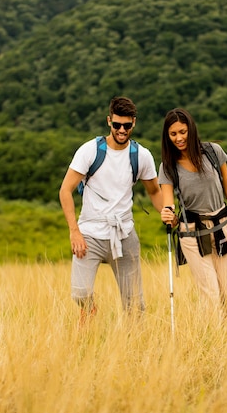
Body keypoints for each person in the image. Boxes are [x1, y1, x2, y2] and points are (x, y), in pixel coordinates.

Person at [59, 96, 162, 323]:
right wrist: (74, 231)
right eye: (117, 125)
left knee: (134, 305)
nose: (122, 130)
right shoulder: (90, 151)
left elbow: (154, 192)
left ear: (134, 123)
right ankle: (90, 309)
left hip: (124, 234)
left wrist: (167, 213)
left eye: (126, 125)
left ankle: (135, 350)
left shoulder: (141, 155)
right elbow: (65, 190)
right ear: (109, 121)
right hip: (90, 234)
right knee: (80, 293)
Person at [158, 108, 227, 315]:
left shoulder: (213, 152)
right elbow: (168, 204)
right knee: (209, 295)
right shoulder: (168, 167)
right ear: (167, 137)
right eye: (173, 134)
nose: (179, 138)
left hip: (222, 228)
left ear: (191, 129)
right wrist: (168, 215)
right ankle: (212, 343)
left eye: (182, 131)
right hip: (192, 234)